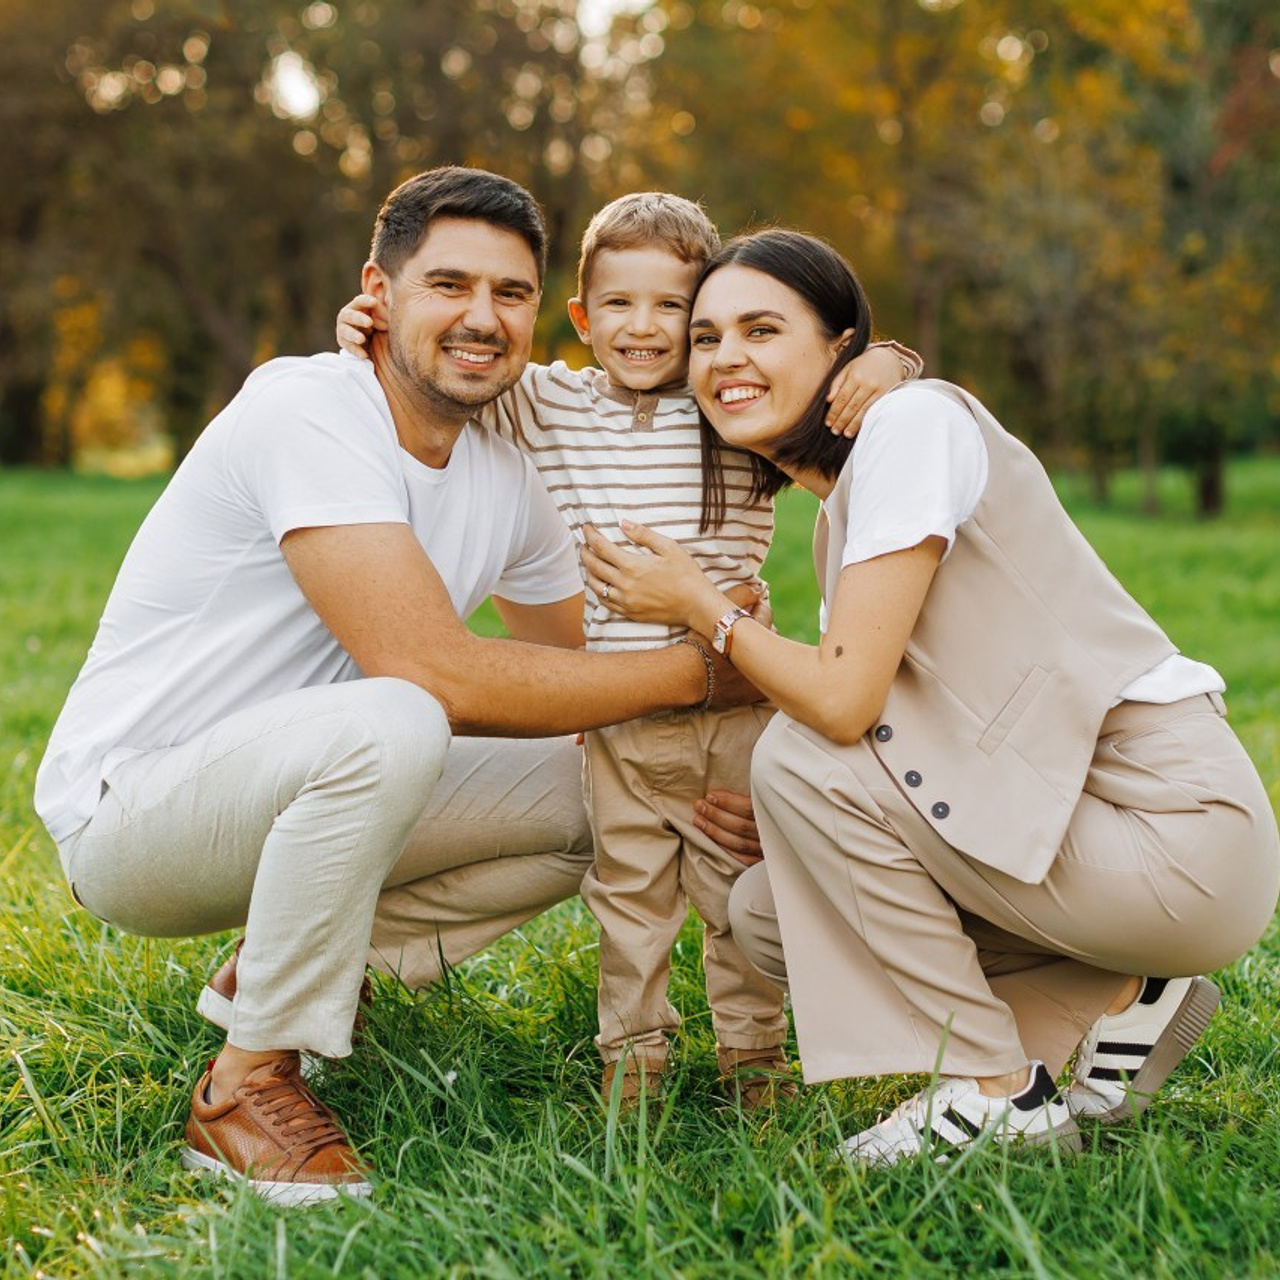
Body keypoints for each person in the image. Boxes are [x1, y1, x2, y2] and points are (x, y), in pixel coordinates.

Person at [32, 167, 768, 1206]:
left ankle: (289, 969)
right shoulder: (307, 408)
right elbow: (431, 669)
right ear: (377, 294)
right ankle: (245, 1088)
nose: (481, 317)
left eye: (508, 293)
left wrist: (698, 779)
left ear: (535, 314)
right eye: (448, 285)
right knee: (398, 709)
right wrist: (704, 666)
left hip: (299, 797)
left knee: (597, 790)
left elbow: (581, 683)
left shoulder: (506, 474)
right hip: (135, 818)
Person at [582, 228, 1280, 1165]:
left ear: (841, 350)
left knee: (800, 755)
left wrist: (700, 607)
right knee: (767, 908)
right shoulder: (851, 503)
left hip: (1172, 827)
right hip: (1086, 836)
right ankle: (1128, 996)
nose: (726, 359)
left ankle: (995, 1089)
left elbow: (840, 704)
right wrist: (821, 825)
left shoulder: (912, 426)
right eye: (705, 339)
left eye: (760, 329)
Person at [335, 192, 923, 1106]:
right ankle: (634, 1068)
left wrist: (890, 359)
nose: (643, 329)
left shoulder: (731, 406)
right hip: (620, 717)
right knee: (631, 905)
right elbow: (441, 364)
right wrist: (365, 324)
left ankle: (756, 1066)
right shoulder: (547, 403)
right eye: (617, 304)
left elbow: (843, 389)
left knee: (739, 893)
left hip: (737, 707)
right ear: (580, 316)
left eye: (673, 311)